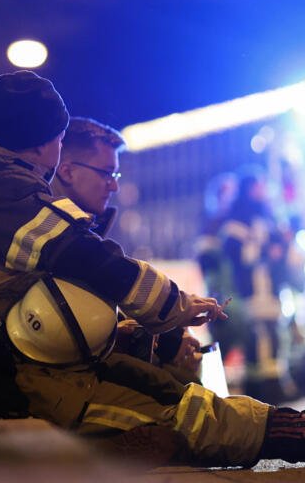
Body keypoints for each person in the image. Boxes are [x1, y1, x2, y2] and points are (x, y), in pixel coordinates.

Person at [0, 71, 305, 467]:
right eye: (59, 139)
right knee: (146, 407)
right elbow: (84, 258)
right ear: (45, 145)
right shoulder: (0, 191)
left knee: (144, 383)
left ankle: (288, 426)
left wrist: (140, 329)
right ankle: (301, 436)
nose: (111, 183)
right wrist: (172, 308)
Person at [51, 116, 203, 383]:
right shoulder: (52, 232)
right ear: (67, 171)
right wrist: (166, 340)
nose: (114, 185)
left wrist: (164, 336)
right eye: (106, 173)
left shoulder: (72, 228)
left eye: (116, 174)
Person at [203, 169, 300, 404]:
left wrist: (281, 246)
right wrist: (267, 250)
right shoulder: (231, 227)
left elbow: (281, 251)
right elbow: (239, 259)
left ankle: (271, 385)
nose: (262, 191)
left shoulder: (268, 220)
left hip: (270, 290)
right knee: (254, 339)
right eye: (256, 186)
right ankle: (260, 389)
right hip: (245, 293)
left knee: (273, 336)